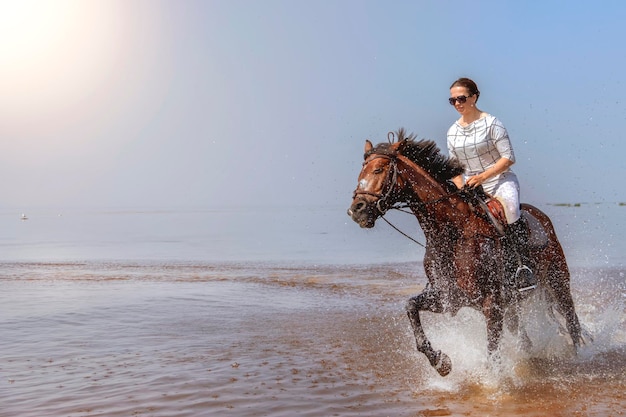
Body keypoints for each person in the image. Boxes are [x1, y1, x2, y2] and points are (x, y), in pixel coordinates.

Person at [446, 77, 536, 292]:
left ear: (474, 97)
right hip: (470, 187)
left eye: (461, 98)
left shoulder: (492, 123)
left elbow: (508, 158)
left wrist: (482, 177)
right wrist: (460, 187)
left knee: (512, 210)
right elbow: (455, 168)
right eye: (453, 101)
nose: (457, 103)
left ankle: (522, 266)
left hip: (499, 181)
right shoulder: (451, 132)